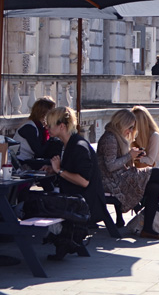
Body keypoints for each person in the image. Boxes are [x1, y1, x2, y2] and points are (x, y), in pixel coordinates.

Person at [97, 109, 159, 240]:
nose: (131, 131)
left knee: (155, 187)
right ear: (122, 124)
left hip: (119, 177)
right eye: (130, 127)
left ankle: (148, 228)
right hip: (113, 182)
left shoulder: (115, 137)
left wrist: (132, 156)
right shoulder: (110, 138)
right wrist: (129, 155)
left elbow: (115, 162)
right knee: (156, 173)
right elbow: (111, 165)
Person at [44, 107, 104, 259]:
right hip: (76, 197)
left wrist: (59, 171)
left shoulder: (78, 147)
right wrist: (54, 170)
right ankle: (63, 243)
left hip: (84, 202)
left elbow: (83, 181)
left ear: (61, 126)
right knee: (42, 201)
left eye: (50, 125)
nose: (47, 128)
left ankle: (63, 241)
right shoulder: (67, 144)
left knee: (39, 204)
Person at [13, 96, 62, 168]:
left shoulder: (41, 127)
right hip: (20, 162)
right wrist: (51, 138)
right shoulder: (29, 128)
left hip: (30, 160)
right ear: (44, 113)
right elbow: (39, 152)